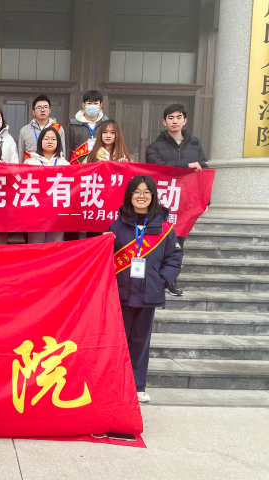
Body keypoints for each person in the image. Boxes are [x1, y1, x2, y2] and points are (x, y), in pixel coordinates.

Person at [107, 175, 183, 403]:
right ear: (130, 196)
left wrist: (161, 281)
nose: (141, 196)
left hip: (149, 292)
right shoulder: (117, 226)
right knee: (118, 339)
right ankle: (116, 383)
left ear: (153, 196)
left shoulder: (166, 229)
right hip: (120, 292)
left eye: (146, 192)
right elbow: (105, 257)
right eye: (137, 192)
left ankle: (138, 386)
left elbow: (174, 258)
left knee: (141, 340)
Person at [145, 104, 209, 296]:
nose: (175, 121)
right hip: (161, 202)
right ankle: (154, 279)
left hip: (185, 203)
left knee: (178, 242)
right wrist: (186, 165)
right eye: (170, 118)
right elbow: (158, 166)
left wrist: (206, 201)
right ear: (164, 122)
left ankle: (171, 281)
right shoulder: (155, 147)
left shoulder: (195, 145)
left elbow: (205, 173)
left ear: (185, 120)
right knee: (157, 240)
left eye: (178, 117)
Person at [24, 126, 69, 244]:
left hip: (57, 213)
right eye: (46, 139)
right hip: (36, 213)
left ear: (58, 142)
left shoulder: (65, 164)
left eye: (53, 139)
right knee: (35, 245)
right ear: (40, 141)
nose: (50, 141)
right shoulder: (29, 162)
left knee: (54, 245)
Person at [18, 95, 66, 162]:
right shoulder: (25, 130)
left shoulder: (58, 129)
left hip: (51, 166)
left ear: (50, 110)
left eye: (45, 107)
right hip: (31, 166)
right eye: (39, 108)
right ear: (33, 112)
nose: (42, 110)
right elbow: (21, 153)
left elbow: (62, 153)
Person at [66, 90, 109, 164]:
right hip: (79, 166)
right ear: (83, 105)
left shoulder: (107, 124)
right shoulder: (73, 124)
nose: (92, 106)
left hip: (101, 165)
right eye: (89, 103)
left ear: (101, 105)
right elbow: (67, 148)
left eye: (96, 103)